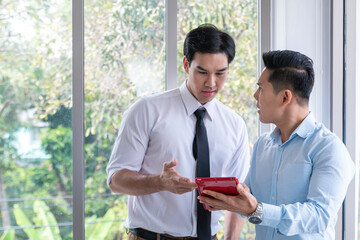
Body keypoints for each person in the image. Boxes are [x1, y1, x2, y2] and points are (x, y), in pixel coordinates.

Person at [106, 24, 250, 240]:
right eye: (202, 72)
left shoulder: (235, 125)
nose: (211, 83)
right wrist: (159, 182)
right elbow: (116, 180)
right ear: (186, 64)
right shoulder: (147, 110)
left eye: (220, 73)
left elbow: (238, 196)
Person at [198, 50, 355, 239]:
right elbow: (248, 201)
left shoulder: (329, 149)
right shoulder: (263, 145)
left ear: (285, 97)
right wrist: (224, 197)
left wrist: (257, 210)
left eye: (261, 88)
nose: (255, 95)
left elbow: (320, 216)